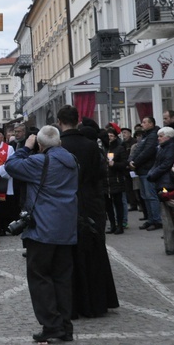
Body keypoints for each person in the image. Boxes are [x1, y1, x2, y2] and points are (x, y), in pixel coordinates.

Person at [5, 125, 78, 343]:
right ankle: (65, 326)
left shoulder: (40, 161)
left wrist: (25, 148)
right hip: (66, 228)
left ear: (40, 143)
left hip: (43, 228)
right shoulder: (72, 160)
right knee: (62, 278)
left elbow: (11, 166)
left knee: (39, 277)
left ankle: (51, 325)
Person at [57, 105, 118, 319]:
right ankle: (98, 302)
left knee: (69, 255)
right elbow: (101, 173)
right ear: (77, 121)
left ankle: (73, 304)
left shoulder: (59, 147)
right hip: (92, 203)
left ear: (59, 122)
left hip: (67, 205)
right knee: (94, 252)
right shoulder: (92, 146)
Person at [144, 127, 174, 231]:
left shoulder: (171, 147)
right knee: (164, 204)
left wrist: (153, 174)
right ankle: (170, 228)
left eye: (161, 136)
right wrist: (151, 173)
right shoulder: (162, 148)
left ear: (168, 137)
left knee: (168, 203)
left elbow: (166, 164)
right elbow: (157, 163)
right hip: (161, 180)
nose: (158, 138)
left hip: (167, 182)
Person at [129, 116, 161, 231]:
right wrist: (131, 161)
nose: (142, 124)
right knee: (145, 196)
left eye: (144, 122)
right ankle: (150, 219)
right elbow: (138, 150)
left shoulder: (153, 136)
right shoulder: (146, 135)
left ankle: (156, 220)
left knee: (151, 196)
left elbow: (148, 151)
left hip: (148, 169)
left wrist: (135, 162)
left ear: (151, 124)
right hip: (141, 170)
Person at [0, 125, 15, 236]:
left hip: (4, 180)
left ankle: (4, 227)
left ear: (3, 137)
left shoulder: (9, 149)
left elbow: (11, 164)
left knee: (4, 206)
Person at [103, 128, 127, 235]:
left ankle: (120, 225)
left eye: (111, 136)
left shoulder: (119, 148)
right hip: (106, 181)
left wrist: (115, 165)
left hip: (116, 179)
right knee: (108, 205)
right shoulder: (103, 149)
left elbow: (124, 164)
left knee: (118, 204)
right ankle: (112, 225)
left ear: (115, 137)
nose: (109, 138)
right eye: (107, 136)